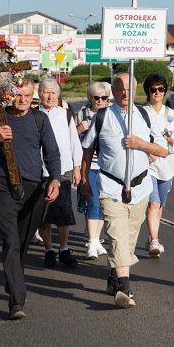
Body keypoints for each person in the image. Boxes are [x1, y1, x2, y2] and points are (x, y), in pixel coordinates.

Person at [81, 73, 168, 309]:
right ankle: (125, 289)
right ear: (113, 91)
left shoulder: (144, 116)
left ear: (136, 90)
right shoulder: (102, 116)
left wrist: (141, 144)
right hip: (110, 186)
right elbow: (87, 148)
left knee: (127, 240)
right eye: (120, 88)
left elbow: (163, 150)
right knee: (117, 235)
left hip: (140, 189)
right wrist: (84, 178)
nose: (125, 93)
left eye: (129, 89)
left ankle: (113, 277)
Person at [0, 77, 61, 320]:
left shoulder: (39, 119)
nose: (22, 100)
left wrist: (55, 179)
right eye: (18, 95)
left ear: (33, 96)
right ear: (9, 95)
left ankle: (14, 277)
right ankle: (16, 301)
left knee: (23, 241)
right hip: (3, 184)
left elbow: (52, 152)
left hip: (33, 187)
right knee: (11, 239)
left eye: (27, 95)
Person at [38, 78, 82, 269]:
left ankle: (63, 248)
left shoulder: (65, 115)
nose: (49, 96)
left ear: (58, 96)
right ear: (39, 94)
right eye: (46, 92)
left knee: (63, 212)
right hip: (39, 170)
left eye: (53, 93)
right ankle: (48, 249)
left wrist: (77, 167)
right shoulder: (33, 114)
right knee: (43, 214)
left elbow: (74, 142)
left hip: (63, 169)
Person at [143, 74, 174, 258]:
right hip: (148, 165)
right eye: (153, 89)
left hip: (167, 166)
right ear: (148, 92)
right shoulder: (142, 113)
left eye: (160, 89)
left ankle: (152, 235)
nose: (157, 93)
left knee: (159, 207)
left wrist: (171, 140)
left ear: (165, 91)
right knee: (154, 202)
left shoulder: (173, 115)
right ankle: (154, 240)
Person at [76, 81, 111, 260]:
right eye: (96, 97)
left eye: (103, 98)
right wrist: (78, 129)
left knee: (104, 205)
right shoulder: (82, 113)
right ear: (90, 98)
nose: (99, 101)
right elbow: (71, 140)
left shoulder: (110, 114)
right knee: (93, 202)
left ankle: (96, 240)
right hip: (88, 164)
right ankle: (92, 241)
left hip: (106, 167)